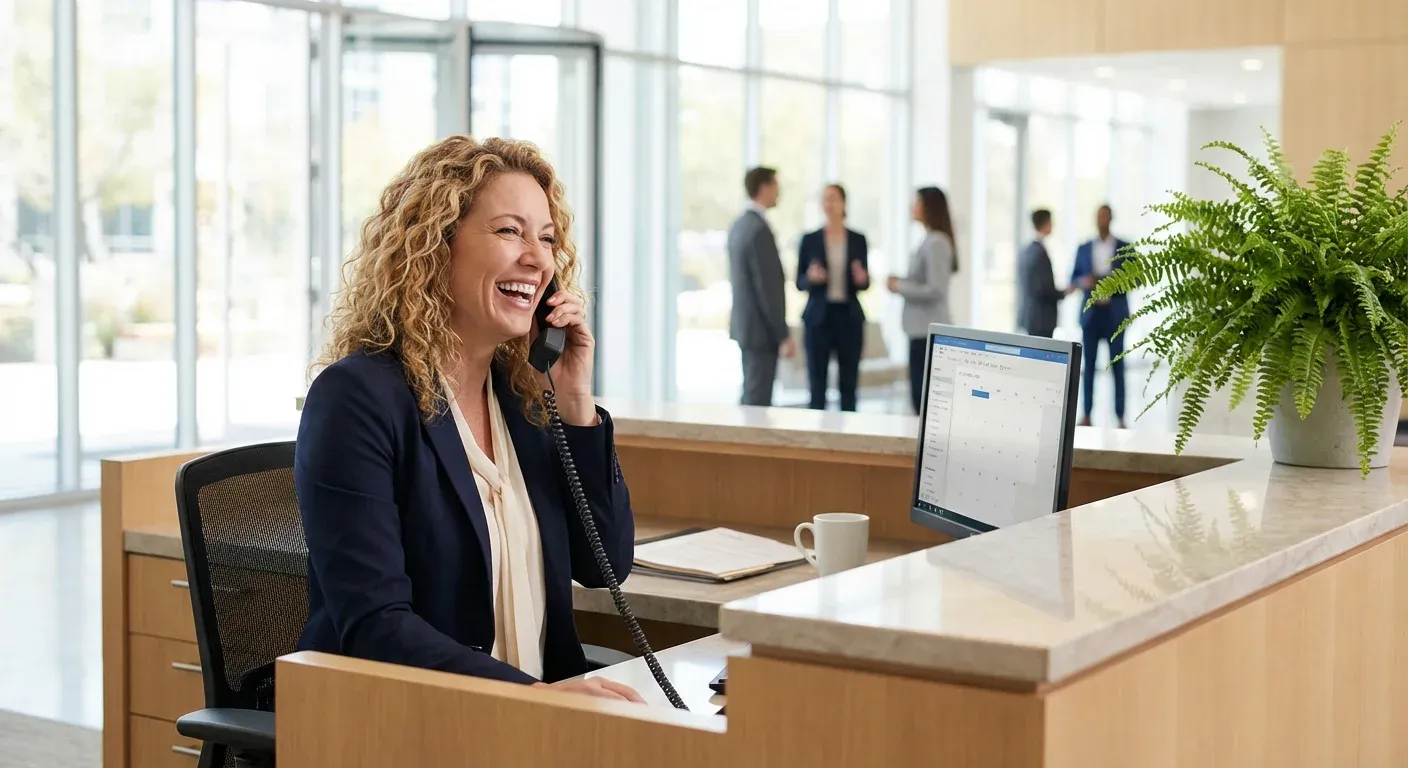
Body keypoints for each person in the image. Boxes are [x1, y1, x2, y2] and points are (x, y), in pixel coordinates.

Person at [295, 136, 644, 703]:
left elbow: (605, 563)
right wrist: (537, 697)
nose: (537, 257)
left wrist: (575, 393)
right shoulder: (356, 399)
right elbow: (376, 625)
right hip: (405, 724)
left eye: (548, 238)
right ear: (436, 245)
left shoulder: (524, 402)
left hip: (528, 721)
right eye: (510, 231)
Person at [797, 184, 870, 411]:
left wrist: (862, 278)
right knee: (817, 384)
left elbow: (865, 282)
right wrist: (811, 277)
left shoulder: (858, 239)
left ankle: (849, 437)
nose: (830, 204)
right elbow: (799, 282)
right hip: (818, 317)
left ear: (844, 203)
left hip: (849, 316)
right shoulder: (809, 239)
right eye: (825, 199)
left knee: (849, 384)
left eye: (834, 199)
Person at [728, 166, 795, 406]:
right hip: (761, 332)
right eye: (776, 186)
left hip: (747, 328)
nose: (779, 192)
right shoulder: (759, 230)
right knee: (757, 402)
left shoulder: (739, 225)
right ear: (764, 188)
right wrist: (782, 333)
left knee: (751, 394)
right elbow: (767, 288)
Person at [888, 186, 957, 414]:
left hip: (927, 330)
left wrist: (900, 286)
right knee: (918, 397)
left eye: (917, 202)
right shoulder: (928, 240)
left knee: (923, 400)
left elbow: (936, 289)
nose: (912, 206)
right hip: (919, 330)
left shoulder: (937, 242)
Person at [1070, 204, 1131, 428]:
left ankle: (1121, 416)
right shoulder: (1084, 248)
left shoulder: (1125, 247)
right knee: (1088, 366)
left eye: (1106, 216)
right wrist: (1084, 281)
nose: (1102, 220)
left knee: (1118, 367)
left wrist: (1111, 283)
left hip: (1115, 315)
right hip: (1091, 316)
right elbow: (1074, 277)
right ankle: (1086, 415)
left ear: (1111, 218)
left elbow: (1135, 279)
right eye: (1099, 216)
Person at [1018, 209, 1068, 338]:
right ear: (1046, 223)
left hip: (1031, 318)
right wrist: (1064, 292)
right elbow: (1042, 288)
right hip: (1042, 319)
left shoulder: (1027, 250)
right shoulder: (1039, 253)